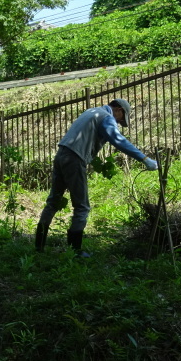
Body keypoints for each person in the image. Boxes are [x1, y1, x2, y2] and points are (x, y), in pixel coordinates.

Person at [34, 98, 158, 254]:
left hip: (61, 155)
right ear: (118, 110)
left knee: (53, 201)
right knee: (82, 206)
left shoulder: (91, 112)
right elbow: (117, 139)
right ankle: (75, 251)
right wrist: (144, 158)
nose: (119, 123)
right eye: (121, 119)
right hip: (74, 158)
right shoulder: (106, 117)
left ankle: (39, 246)